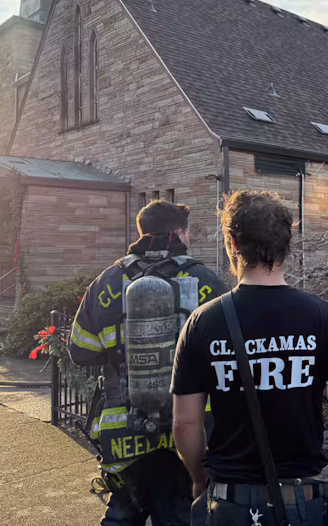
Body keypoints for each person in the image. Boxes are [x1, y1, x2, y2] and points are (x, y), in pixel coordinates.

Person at [172, 191, 328, 525]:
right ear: (285, 246)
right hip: (303, 504)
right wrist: (316, 378)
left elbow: (185, 422)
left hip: (230, 502)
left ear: (232, 245)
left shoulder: (202, 322)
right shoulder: (324, 317)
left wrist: (198, 479)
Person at [69, 200, 230, 526]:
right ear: (180, 233)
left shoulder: (107, 282)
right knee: (182, 515)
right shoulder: (207, 281)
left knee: (123, 513)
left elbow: (80, 351)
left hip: (122, 430)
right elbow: (229, 356)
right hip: (192, 433)